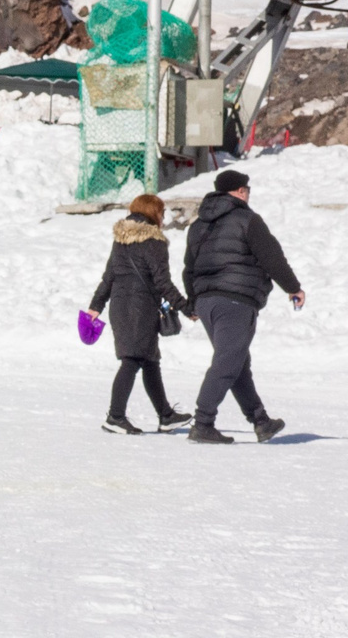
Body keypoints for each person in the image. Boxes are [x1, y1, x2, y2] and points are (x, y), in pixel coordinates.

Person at [181, 168, 306, 444]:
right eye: (247, 189)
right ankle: (203, 423)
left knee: (236, 361)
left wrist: (193, 302)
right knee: (227, 361)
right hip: (236, 300)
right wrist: (293, 288)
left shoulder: (198, 225)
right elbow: (272, 258)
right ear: (240, 191)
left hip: (207, 302)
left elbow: (188, 269)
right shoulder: (247, 219)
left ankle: (261, 421)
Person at [89, 192, 187, 434]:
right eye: (162, 213)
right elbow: (163, 282)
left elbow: (109, 277)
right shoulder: (154, 242)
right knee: (132, 360)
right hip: (140, 309)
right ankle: (115, 417)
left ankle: (166, 415)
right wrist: (185, 306)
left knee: (150, 360)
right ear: (153, 213)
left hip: (121, 308)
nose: (164, 218)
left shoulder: (121, 239)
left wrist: (96, 306)